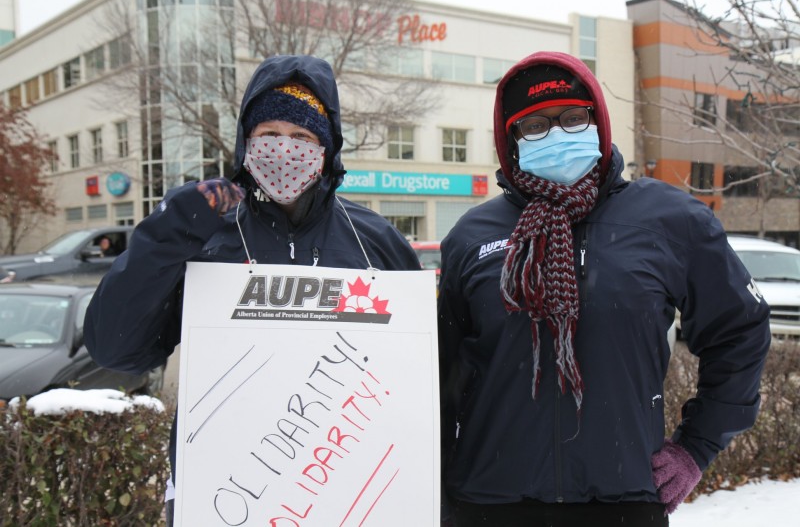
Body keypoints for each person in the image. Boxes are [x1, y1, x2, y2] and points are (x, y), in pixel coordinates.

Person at [437, 51, 771, 527]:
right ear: (509, 140)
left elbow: (740, 327)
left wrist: (697, 446)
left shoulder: (668, 220)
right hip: (488, 504)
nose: (556, 134)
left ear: (598, 121)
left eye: (573, 118)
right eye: (534, 126)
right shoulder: (473, 235)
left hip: (621, 502)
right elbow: (439, 372)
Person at [83, 55, 421, 525]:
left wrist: (416, 480)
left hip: (344, 487)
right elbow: (117, 350)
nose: (284, 149)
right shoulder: (204, 235)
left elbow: (419, 370)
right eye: (268, 134)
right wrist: (167, 238)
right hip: (224, 492)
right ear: (246, 143)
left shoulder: (375, 239)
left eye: (302, 137)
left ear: (326, 150)